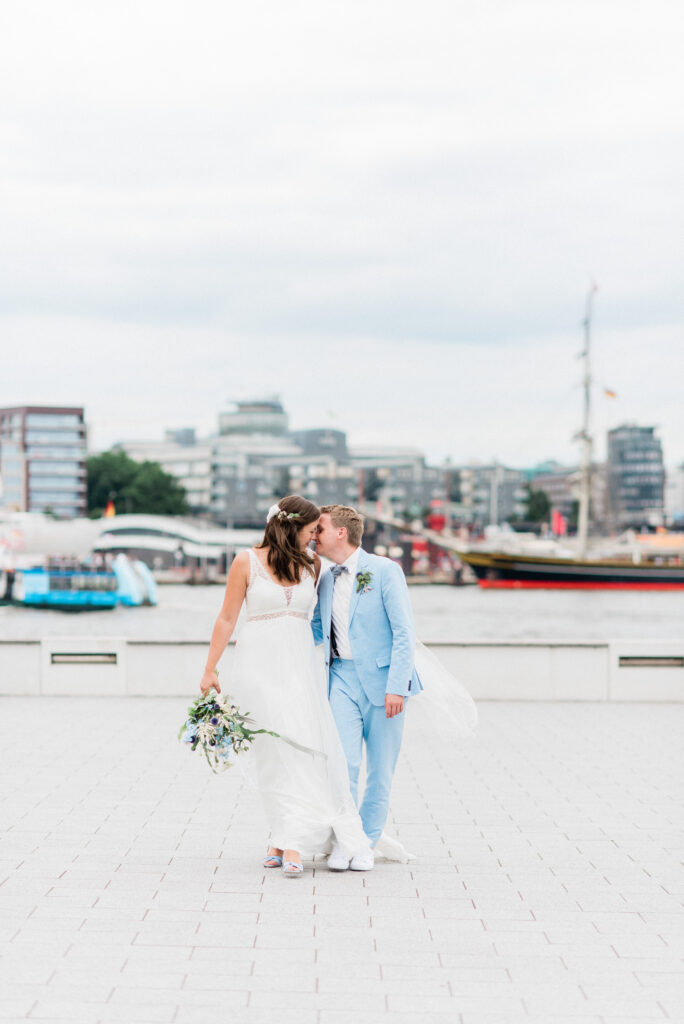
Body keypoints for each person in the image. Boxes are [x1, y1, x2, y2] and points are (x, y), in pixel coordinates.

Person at [199, 495, 373, 877]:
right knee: (273, 752)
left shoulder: (313, 564)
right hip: (257, 666)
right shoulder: (245, 561)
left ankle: (283, 839)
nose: (315, 539)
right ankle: (289, 840)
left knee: (298, 747)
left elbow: (331, 614)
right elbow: (227, 618)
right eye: (311, 531)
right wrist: (210, 669)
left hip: (300, 667)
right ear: (291, 527)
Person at [312, 505, 423, 872]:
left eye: (321, 528)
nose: (315, 535)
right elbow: (316, 630)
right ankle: (347, 839)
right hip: (340, 678)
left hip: (384, 682)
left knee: (380, 769)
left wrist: (397, 687)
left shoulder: (385, 571)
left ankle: (367, 843)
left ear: (341, 533)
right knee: (344, 764)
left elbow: (404, 632)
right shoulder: (324, 578)